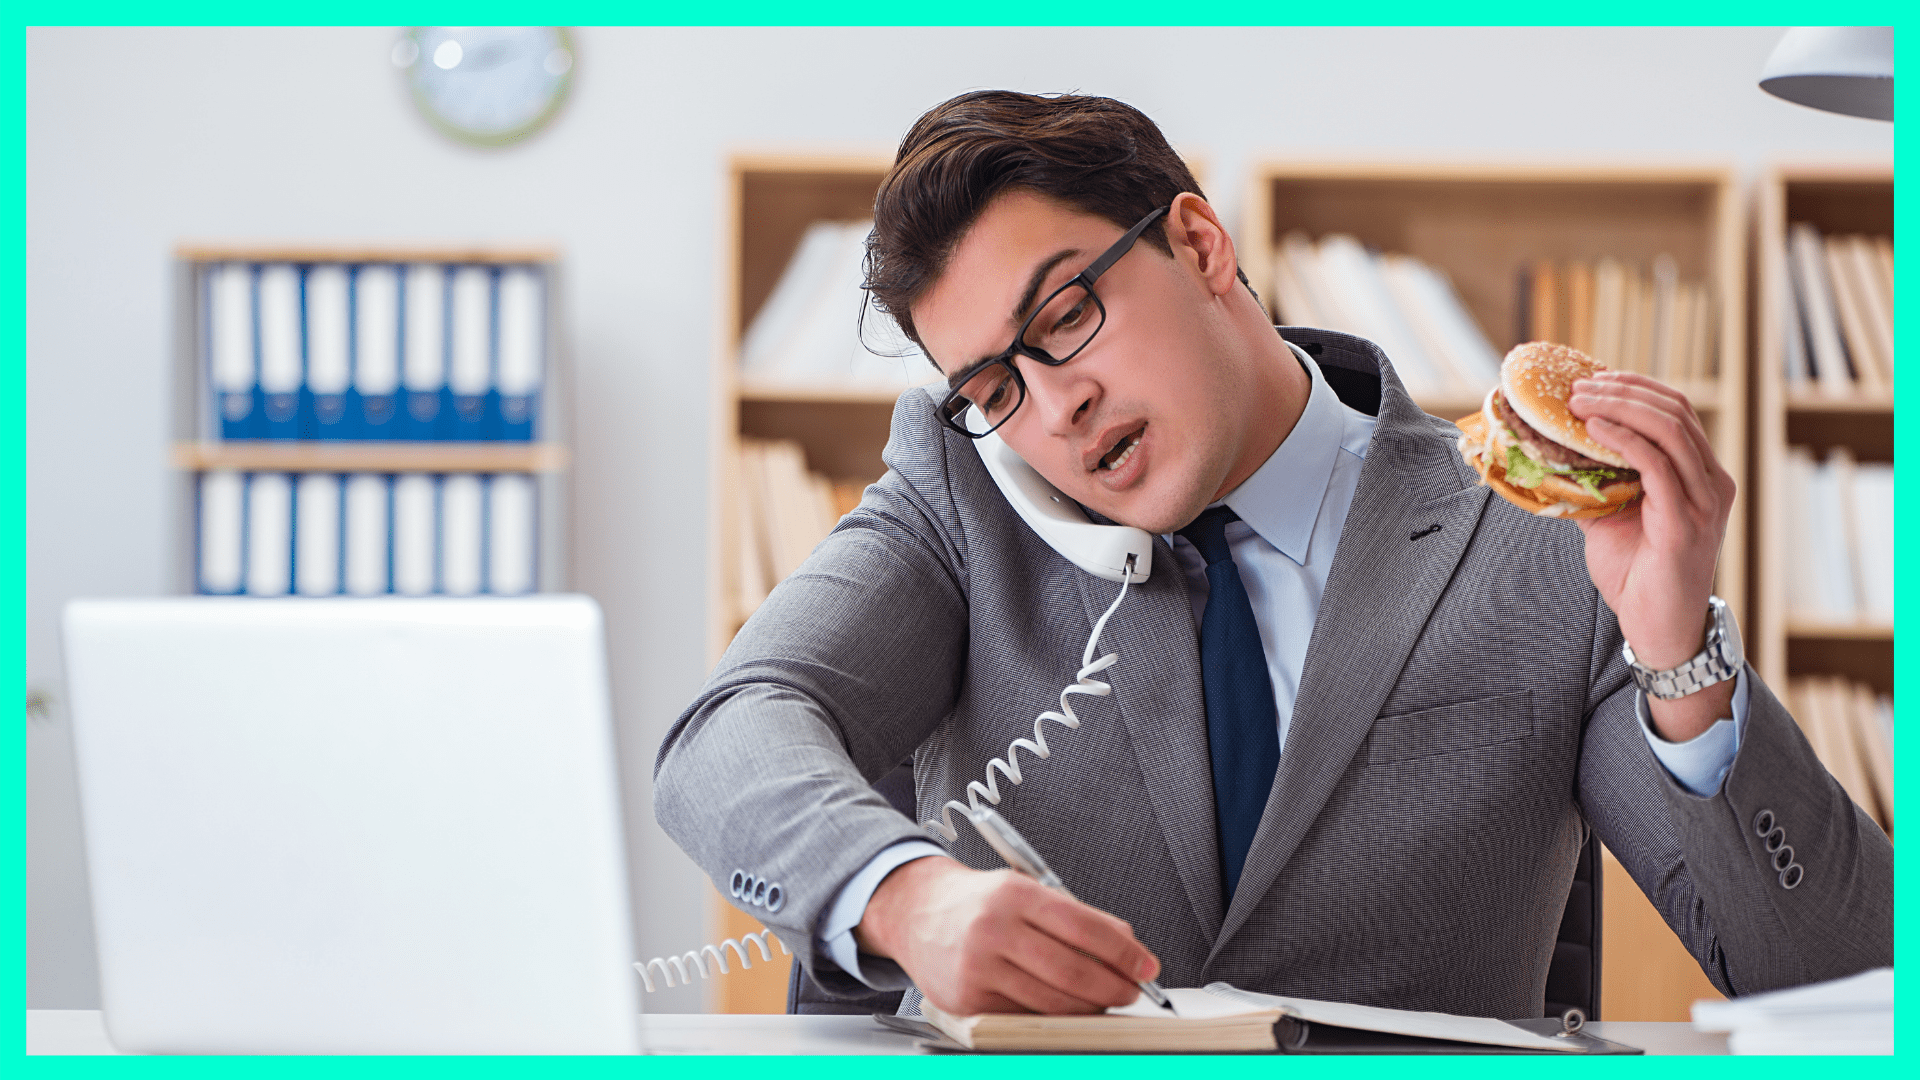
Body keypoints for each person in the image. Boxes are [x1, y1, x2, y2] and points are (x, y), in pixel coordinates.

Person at [655, 90, 1891, 1020]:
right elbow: (731, 730)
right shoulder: (967, 493)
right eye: (993, 382)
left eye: (1065, 317)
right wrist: (901, 891)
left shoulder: (1536, 541)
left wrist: (1682, 657)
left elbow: (1844, 984)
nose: (1054, 409)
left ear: (1198, 245)